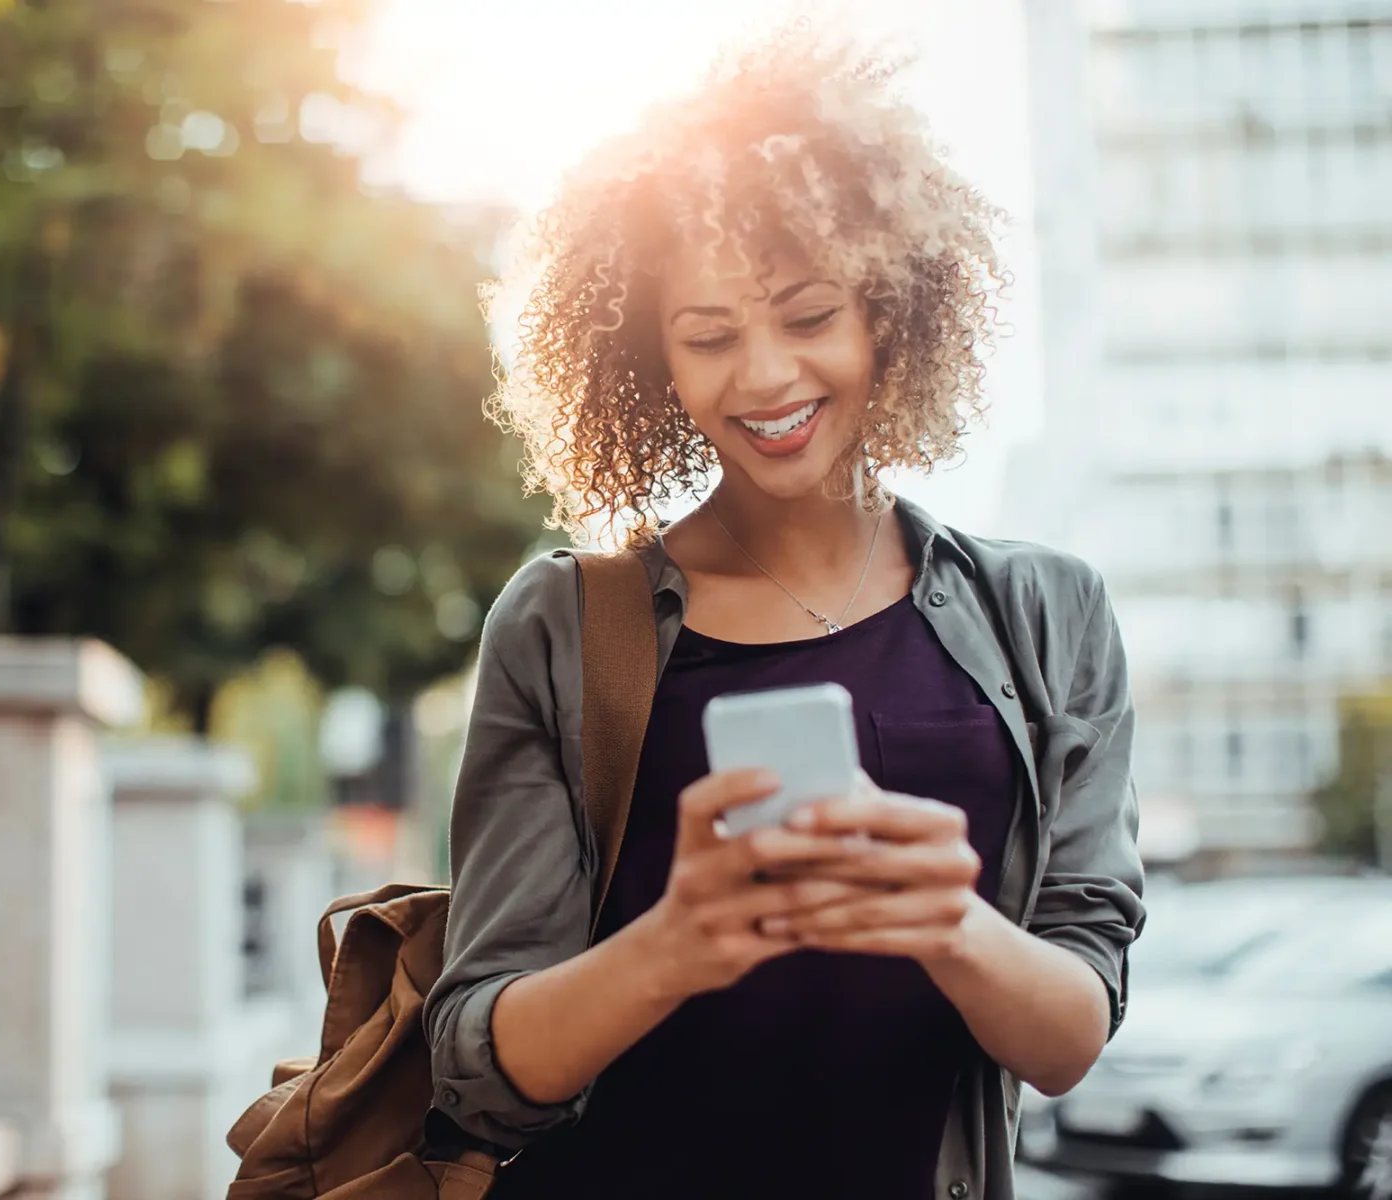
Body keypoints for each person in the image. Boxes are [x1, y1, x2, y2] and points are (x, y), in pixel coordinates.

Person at [423, 22, 1145, 1200]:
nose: (763, 379)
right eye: (708, 336)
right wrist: (677, 941)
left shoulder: (1048, 613)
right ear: (652, 358)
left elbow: (1069, 1038)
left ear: (892, 312)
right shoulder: (562, 626)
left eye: (809, 317)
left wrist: (943, 922)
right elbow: (479, 1069)